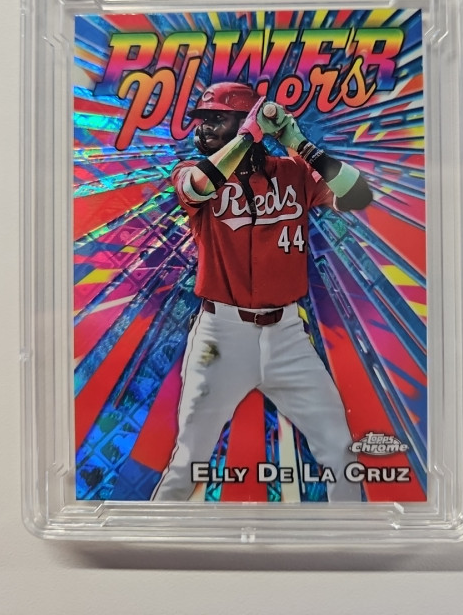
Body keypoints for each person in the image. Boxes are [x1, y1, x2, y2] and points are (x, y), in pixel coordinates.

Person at [152, 81, 373, 502]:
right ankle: (152, 537)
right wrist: (245, 137)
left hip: (287, 334)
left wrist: (298, 143)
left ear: (244, 120)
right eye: (202, 120)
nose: (203, 129)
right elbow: (198, 187)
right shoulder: (191, 172)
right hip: (220, 336)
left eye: (216, 119)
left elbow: (359, 194)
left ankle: (346, 534)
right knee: (188, 458)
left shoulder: (292, 173)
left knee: (339, 449)